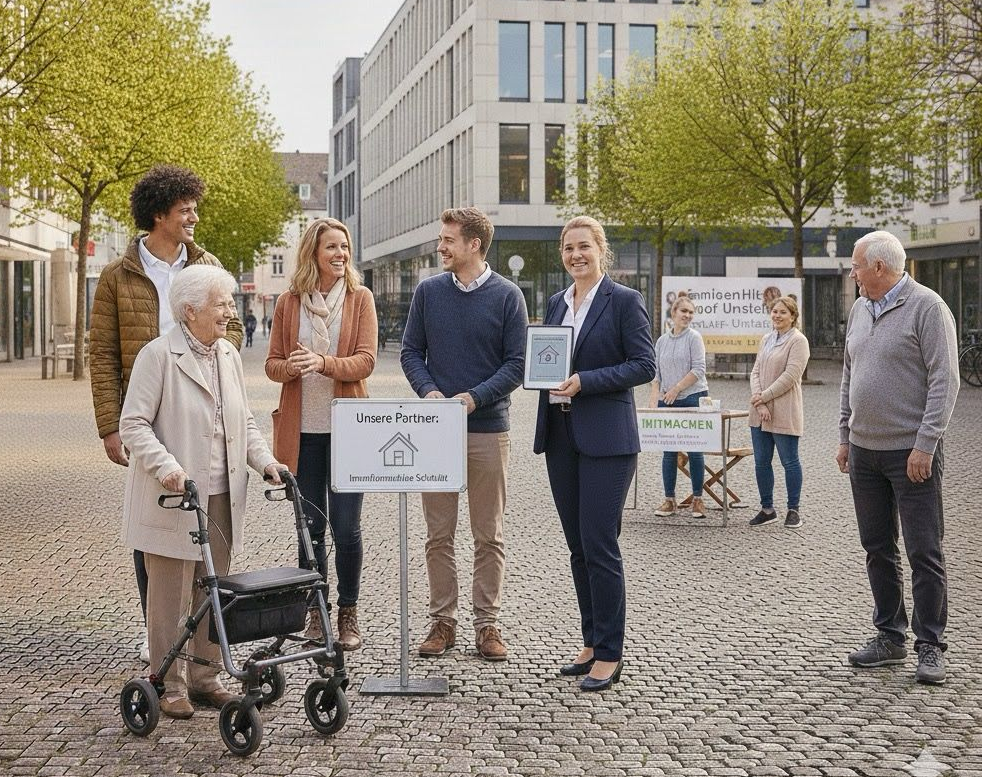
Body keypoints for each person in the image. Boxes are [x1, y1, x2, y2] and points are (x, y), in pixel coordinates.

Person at [89, 164, 242, 664]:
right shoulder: (118, 274)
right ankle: (161, 638)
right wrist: (111, 424)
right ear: (159, 215)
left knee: (198, 531)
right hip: (144, 406)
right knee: (153, 525)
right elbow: (103, 353)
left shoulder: (207, 262)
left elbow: (231, 331)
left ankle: (192, 649)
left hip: (192, 403)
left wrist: (213, 363)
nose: (194, 216)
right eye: (185, 209)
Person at [118, 265, 281, 719]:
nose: (231, 311)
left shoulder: (227, 354)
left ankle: (206, 678)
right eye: (222, 304)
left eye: (230, 303)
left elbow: (243, 421)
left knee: (214, 589)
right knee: (169, 594)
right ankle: (168, 682)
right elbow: (132, 424)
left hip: (222, 492)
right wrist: (166, 467)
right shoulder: (158, 356)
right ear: (189, 311)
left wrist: (266, 461)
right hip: (175, 493)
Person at [533, 216, 656, 691]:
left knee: (600, 544)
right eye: (568, 248)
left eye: (584, 247)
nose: (575, 255)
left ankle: (610, 651)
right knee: (577, 548)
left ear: (600, 250)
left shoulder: (624, 301)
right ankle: (589, 641)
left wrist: (586, 381)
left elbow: (643, 365)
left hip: (607, 439)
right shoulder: (555, 302)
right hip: (561, 437)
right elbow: (549, 357)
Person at [401, 206, 528, 661]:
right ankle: (443, 622)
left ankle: (487, 624)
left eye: (448, 240)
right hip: (436, 431)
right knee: (438, 534)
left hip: (488, 430)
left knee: (488, 533)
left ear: (474, 244)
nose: (441, 246)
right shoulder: (428, 293)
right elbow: (412, 352)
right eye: (442, 238)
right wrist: (430, 391)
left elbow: (517, 364)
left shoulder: (509, 296)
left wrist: (473, 398)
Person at [838, 231, 959, 685]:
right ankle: (890, 636)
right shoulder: (859, 309)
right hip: (865, 451)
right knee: (877, 548)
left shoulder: (928, 308)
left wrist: (925, 444)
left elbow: (945, 381)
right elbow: (850, 375)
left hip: (911, 454)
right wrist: (844, 436)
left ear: (880, 269)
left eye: (856, 266)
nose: (852, 273)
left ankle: (931, 646)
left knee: (923, 550)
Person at [265, 218, 377, 651]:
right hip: (303, 433)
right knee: (310, 529)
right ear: (313, 252)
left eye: (345, 247)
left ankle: (348, 613)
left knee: (347, 529)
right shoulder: (289, 302)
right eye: (332, 247)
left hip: (349, 432)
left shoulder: (359, 298)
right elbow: (272, 364)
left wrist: (324, 363)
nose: (341, 254)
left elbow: (366, 361)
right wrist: (292, 367)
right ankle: (316, 611)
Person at [747, 296, 810, 529]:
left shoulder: (798, 341)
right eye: (774, 311)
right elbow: (755, 372)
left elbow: (790, 376)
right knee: (762, 462)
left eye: (783, 312)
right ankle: (767, 509)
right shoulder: (766, 339)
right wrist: (759, 402)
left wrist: (765, 397)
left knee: (789, 461)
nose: (777, 316)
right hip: (759, 412)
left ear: (793, 317)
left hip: (784, 410)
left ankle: (793, 509)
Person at [649, 291, 709, 519]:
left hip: (692, 396)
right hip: (668, 401)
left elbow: (699, 369)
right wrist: (656, 396)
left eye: (691, 313)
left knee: (695, 450)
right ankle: (669, 500)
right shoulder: (662, 341)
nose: (688, 316)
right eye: (684, 311)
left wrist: (676, 389)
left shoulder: (694, 338)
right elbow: (656, 372)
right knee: (669, 451)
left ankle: (698, 500)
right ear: (673, 313)